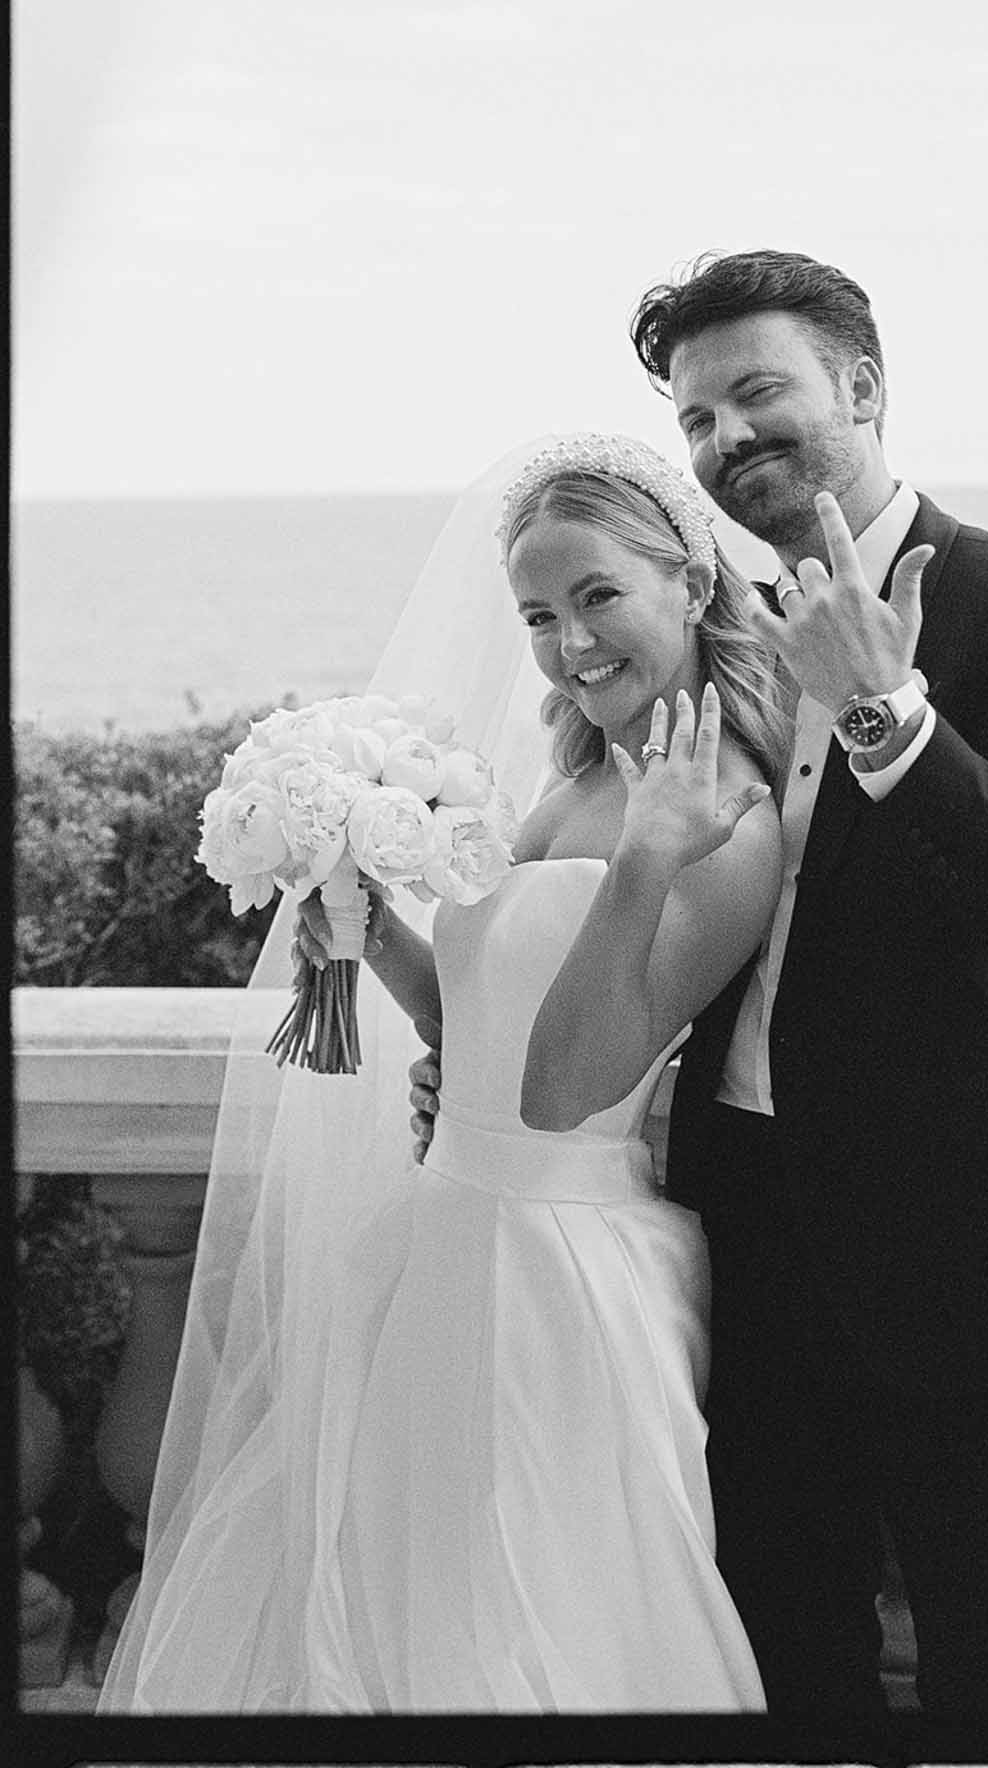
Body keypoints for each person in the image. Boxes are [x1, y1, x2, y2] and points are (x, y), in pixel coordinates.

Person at [410, 252, 988, 1755]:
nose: (728, 438)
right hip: (734, 1214)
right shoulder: (699, 628)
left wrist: (887, 708)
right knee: (777, 1649)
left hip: (951, 1228)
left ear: (861, 389)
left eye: (760, 395)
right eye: (695, 418)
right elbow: (631, 877)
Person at [98, 433, 784, 1712]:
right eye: (537, 612)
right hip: (442, 1245)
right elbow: (479, 1027)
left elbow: (565, 1086)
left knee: (531, 1636)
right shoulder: (578, 775)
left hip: (558, 1283)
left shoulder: (731, 819)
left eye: (596, 596)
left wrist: (645, 862)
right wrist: (372, 936)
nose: (569, 643)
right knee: (394, 1609)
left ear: (689, 583)